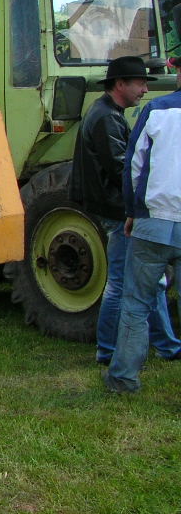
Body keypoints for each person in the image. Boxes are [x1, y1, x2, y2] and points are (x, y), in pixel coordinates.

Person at [70, 55, 181, 364]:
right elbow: (122, 167)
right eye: (141, 83)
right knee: (121, 282)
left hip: (116, 208)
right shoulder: (107, 117)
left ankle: (167, 344)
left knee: (151, 279)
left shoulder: (109, 113)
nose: (145, 89)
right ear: (120, 84)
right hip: (118, 211)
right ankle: (107, 350)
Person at [105, 57, 181, 392]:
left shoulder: (156, 111)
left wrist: (134, 212)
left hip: (153, 222)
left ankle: (123, 378)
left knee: (135, 305)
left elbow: (134, 168)